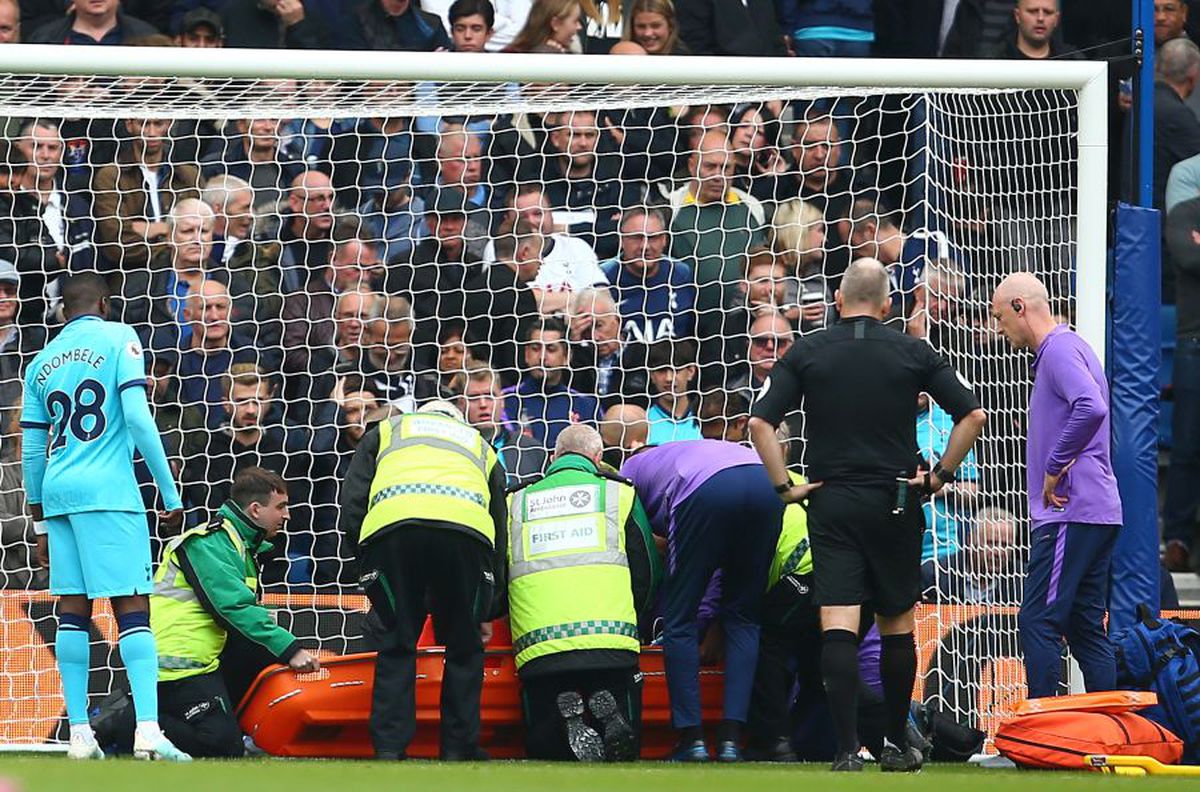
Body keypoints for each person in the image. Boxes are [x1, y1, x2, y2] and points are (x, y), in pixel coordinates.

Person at [748, 259, 985, 772]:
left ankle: (844, 749)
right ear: (888, 305)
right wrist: (941, 476)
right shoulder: (912, 350)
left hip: (832, 500)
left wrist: (784, 486)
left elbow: (760, 423)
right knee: (896, 624)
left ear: (837, 300)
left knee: (838, 624)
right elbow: (973, 415)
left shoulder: (809, 351)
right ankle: (895, 744)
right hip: (896, 500)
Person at [20, 272, 190, 761]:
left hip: (58, 494)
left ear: (62, 312)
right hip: (109, 492)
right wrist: (169, 493)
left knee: (72, 608)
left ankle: (78, 734)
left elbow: (32, 449)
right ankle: (148, 733)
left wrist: (38, 521)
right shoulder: (121, 337)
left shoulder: (40, 362)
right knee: (133, 608)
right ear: (106, 303)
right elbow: (137, 417)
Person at [339, 399, 508, 760]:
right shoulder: (480, 445)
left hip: (394, 529)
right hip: (466, 534)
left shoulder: (387, 431)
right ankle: (460, 749)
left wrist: (363, 558)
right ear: (458, 420)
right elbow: (499, 523)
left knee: (397, 640)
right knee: (464, 646)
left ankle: (388, 748)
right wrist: (488, 606)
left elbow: (353, 498)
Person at [990, 272, 1123, 698]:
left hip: (1071, 509)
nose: (998, 328)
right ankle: (1110, 730)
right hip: (1099, 510)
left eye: (998, 317)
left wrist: (1054, 464)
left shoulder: (1057, 350)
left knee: (1038, 619)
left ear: (1019, 307)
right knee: (1084, 626)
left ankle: (1043, 730)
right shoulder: (1074, 345)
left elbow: (1091, 406)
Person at [620, 439, 786, 762]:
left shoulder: (630, 471)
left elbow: (639, 545)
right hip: (765, 480)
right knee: (744, 617)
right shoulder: (688, 449)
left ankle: (691, 738)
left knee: (679, 618)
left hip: (703, 487)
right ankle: (731, 741)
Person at [507, 425, 659, 761]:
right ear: (598, 457)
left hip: (539, 645)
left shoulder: (515, 501)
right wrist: (639, 620)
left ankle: (562, 722)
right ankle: (609, 715)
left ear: (552, 457)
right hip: (611, 640)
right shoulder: (619, 494)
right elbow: (646, 568)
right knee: (624, 742)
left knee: (547, 750)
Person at [149, 467, 320, 758]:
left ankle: (241, 726)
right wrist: (290, 649)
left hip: (205, 657)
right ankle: (127, 721)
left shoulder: (237, 545)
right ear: (255, 509)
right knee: (221, 746)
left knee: (263, 651)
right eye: (281, 506)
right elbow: (233, 607)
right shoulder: (209, 542)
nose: (287, 515)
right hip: (176, 664)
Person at [745, 468, 820, 762]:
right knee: (821, 667)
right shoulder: (800, 479)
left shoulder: (754, 482)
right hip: (836, 574)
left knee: (768, 653)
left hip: (798, 577)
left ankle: (775, 741)